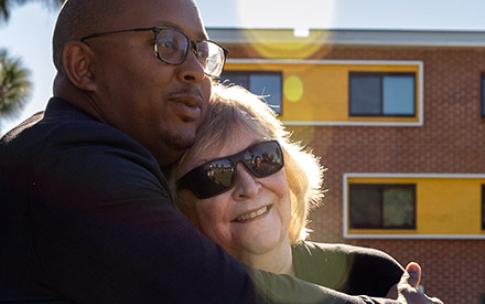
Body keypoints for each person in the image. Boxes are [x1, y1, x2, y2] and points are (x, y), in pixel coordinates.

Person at [0, 0, 440, 302]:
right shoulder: (70, 158)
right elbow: (207, 289)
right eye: (166, 44)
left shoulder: (372, 273)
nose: (194, 70)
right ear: (84, 66)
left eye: (199, 51)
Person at [172, 84, 444, 303]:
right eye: (215, 174)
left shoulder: (371, 273)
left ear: (288, 170)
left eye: (262, 158)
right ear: (179, 204)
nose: (250, 187)